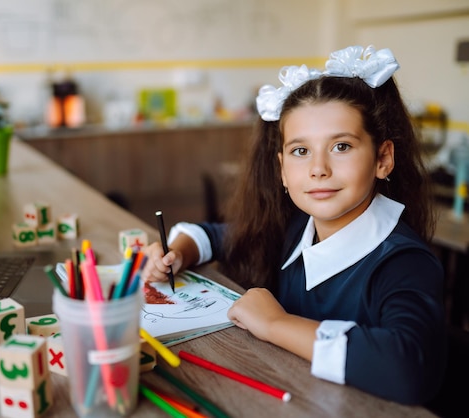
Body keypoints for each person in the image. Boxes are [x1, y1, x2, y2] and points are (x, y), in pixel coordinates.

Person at [142, 45, 446, 405]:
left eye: (342, 147)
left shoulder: (403, 262)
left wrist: (276, 324)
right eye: (301, 151)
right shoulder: (296, 228)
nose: (319, 168)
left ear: (383, 159)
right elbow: (218, 237)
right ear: (283, 169)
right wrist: (177, 251)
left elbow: (404, 368)